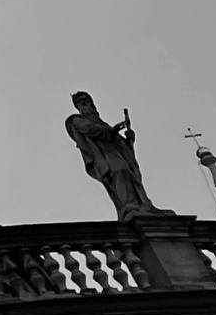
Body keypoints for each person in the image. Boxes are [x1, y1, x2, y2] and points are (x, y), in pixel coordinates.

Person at [65, 90, 161, 219]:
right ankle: (129, 206)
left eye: (85, 99)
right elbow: (88, 129)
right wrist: (111, 131)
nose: (83, 102)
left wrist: (129, 140)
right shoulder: (75, 120)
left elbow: (122, 147)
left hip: (116, 153)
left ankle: (142, 205)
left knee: (130, 175)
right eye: (79, 101)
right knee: (120, 171)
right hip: (104, 155)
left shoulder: (101, 122)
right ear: (77, 107)